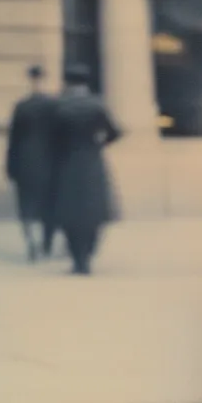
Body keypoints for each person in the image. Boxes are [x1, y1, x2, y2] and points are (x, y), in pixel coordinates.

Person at [51, 63, 122, 276]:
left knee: (69, 212)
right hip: (92, 160)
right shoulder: (96, 105)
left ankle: (78, 259)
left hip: (66, 162)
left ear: (68, 82)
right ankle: (89, 252)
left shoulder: (60, 106)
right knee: (93, 210)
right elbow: (115, 132)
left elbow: (51, 138)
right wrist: (98, 144)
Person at [5, 64, 58, 262]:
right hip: (50, 162)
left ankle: (31, 243)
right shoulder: (54, 105)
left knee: (25, 206)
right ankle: (47, 244)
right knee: (49, 206)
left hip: (25, 162)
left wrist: (10, 166)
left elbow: (13, 139)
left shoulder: (22, 106)